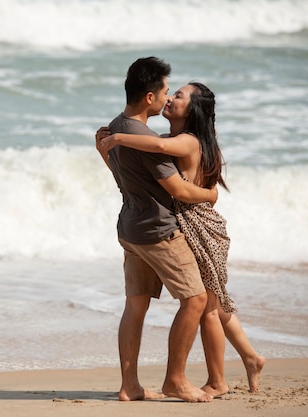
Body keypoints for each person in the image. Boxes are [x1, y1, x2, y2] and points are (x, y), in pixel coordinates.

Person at [98, 82, 266, 395]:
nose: (171, 97)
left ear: (192, 110)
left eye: (179, 96)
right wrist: (109, 147)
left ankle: (220, 379)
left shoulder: (186, 141)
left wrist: (119, 136)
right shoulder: (172, 138)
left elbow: (159, 151)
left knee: (210, 306)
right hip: (183, 222)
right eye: (171, 92)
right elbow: (138, 168)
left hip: (199, 225)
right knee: (212, 303)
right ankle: (249, 358)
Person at [94, 57, 218, 403]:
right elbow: (178, 190)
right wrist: (210, 194)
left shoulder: (114, 128)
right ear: (149, 96)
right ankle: (175, 380)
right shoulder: (143, 139)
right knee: (195, 299)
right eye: (165, 91)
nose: (167, 98)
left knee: (135, 305)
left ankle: (129, 385)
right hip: (158, 230)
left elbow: (120, 175)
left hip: (130, 227)